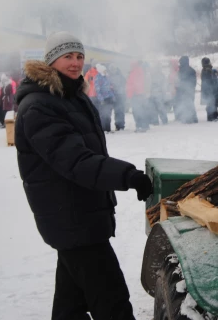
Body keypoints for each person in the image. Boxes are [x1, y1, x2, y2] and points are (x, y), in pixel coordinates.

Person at [14, 31, 153, 320]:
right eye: (68, 56)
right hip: (71, 218)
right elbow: (76, 160)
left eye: (79, 56)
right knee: (112, 300)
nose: (76, 63)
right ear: (51, 60)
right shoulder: (39, 106)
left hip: (80, 214)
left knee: (70, 303)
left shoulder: (72, 96)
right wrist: (127, 176)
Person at [175, 56, 198, 124]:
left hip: (186, 90)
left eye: (181, 62)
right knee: (189, 104)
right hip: (188, 90)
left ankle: (190, 118)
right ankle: (191, 118)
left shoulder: (183, 70)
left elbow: (181, 81)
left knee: (187, 104)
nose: (180, 63)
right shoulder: (191, 70)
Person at [94, 64, 114, 133]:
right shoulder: (98, 78)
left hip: (109, 98)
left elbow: (110, 88)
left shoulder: (107, 77)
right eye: (104, 70)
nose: (106, 71)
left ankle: (108, 128)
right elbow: (97, 90)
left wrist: (112, 96)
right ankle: (103, 129)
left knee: (108, 114)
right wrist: (101, 99)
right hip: (103, 99)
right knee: (103, 114)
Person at [200, 57, 218, 121]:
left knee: (211, 103)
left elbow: (209, 80)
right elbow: (210, 80)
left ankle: (212, 116)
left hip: (209, 89)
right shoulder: (207, 69)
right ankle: (212, 116)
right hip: (210, 89)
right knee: (211, 102)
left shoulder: (206, 69)